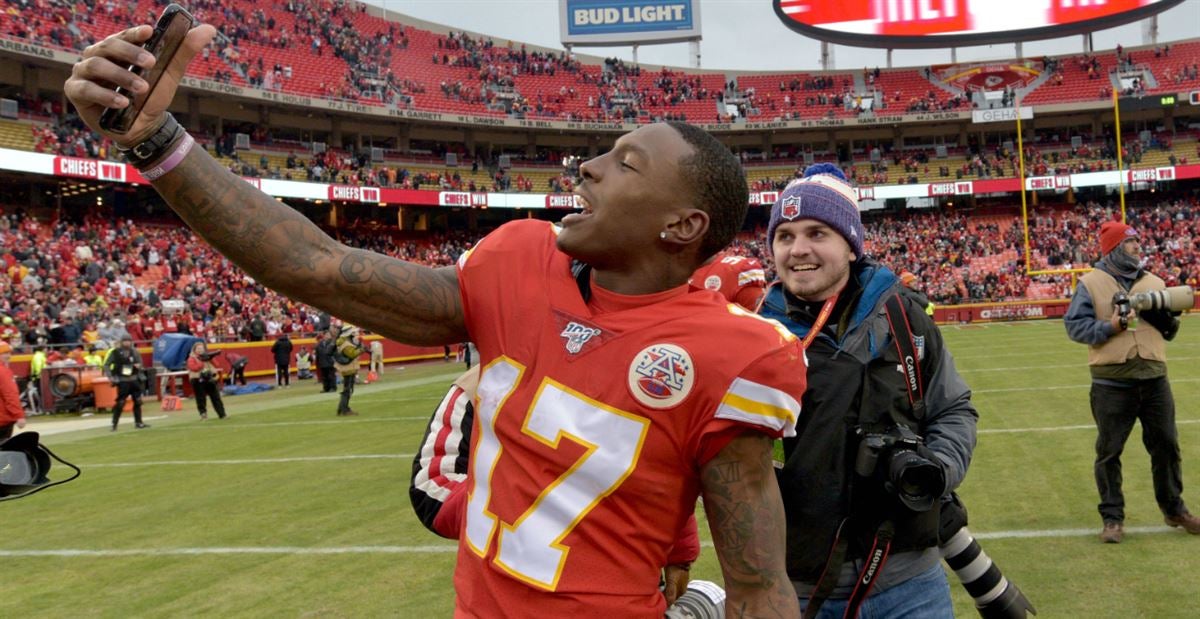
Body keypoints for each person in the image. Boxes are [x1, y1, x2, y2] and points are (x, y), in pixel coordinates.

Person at [66, 28, 804, 615]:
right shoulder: (519, 262)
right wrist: (158, 140)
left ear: (682, 224)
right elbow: (313, 263)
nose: (588, 168)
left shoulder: (733, 351)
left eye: (626, 163)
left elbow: (756, 582)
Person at [758, 165, 980, 617]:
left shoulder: (903, 316)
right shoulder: (752, 333)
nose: (798, 249)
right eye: (784, 236)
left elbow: (953, 408)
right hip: (795, 585)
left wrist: (937, 467)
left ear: (851, 243)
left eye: (817, 232)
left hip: (910, 581)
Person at [1064, 220, 1199, 543]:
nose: (1138, 247)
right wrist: (1110, 327)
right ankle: (1112, 518)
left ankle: (1174, 509)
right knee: (1109, 452)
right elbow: (1075, 328)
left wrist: (1161, 317)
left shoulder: (1154, 280)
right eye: (1130, 243)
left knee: (1167, 445)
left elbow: (1171, 331)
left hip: (1154, 379)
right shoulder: (1091, 283)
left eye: (1138, 242)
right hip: (1112, 382)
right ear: (1113, 248)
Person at [103, 335, 148, 431]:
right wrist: (111, 377)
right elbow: (106, 365)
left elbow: (141, 364)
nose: (127, 343)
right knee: (120, 402)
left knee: (138, 401)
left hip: (134, 379)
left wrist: (138, 366)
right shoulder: (115, 352)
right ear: (121, 342)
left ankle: (139, 422)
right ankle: (114, 424)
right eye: (125, 341)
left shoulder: (135, 352)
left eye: (129, 341)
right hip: (122, 380)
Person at [187, 341, 227, 421]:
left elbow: (217, 364)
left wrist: (211, 358)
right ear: (194, 349)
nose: (200, 350)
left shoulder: (207, 356)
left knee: (216, 397)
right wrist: (201, 362)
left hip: (210, 379)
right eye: (198, 348)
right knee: (201, 399)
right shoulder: (191, 358)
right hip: (198, 380)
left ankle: (222, 414)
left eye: (201, 348)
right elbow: (193, 368)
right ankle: (203, 415)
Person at [334, 326, 366, 416]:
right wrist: (361, 350)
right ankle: (344, 409)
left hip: (347, 367)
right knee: (348, 389)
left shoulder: (342, 341)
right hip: (349, 368)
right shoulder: (345, 343)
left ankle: (342, 408)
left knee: (347, 389)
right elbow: (352, 354)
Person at [0, 342, 27, 440]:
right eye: (4, 353)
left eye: (9, 353)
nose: (8, 356)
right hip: (3, 420)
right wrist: (19, 415)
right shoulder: (3, 372)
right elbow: (10, 395)